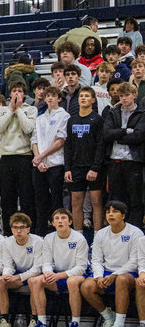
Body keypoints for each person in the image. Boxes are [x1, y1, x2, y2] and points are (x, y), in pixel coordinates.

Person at [81, 201, 143, 327]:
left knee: (121, 280)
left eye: (114, 211)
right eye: (108, 211)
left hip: (129, 273)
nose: (110, 214)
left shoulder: (135, 233)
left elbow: (134, 261)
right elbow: (96, 260)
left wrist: (115, 275)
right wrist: (98, 277)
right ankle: (109, 316)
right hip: (107, 273)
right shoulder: (101, 234)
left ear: (123, 216)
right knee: (86, 286)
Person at [23, 207, 89, 327]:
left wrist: (59, 275)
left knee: (72, 281)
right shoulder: (48, 238)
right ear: (53, 223)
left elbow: (81, 267)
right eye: (57, 219)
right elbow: (46, 262)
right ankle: (41, 323)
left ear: (70, 222)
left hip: (77, 276)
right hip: (56, 276)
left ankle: (75, 325)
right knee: (34, 281)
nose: (60, 221)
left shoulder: (79, 238)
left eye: (63, 218)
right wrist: (48, 273)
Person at [0, 213, 43, 327]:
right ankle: (5, 323)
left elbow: (37, 268)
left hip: (34, 274)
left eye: (22, 227)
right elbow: (8, 265)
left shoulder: (38, 241)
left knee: (33, 281)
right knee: (0, 281)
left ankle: (34, 322)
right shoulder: (7, 242)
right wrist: (6, 275)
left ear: (28, 229)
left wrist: (18, 277)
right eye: (15, 227)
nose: (18, 231)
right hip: (18, 274)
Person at [0, 85, 37, 235]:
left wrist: (19, 109)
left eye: (20, 91)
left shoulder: (31, 109)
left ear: (25, 94)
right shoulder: (2, 110)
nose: (17, 94)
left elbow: (28, 128)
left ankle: (29, 233)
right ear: (9, 93)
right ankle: (8, 234)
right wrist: (11, 110)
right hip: (6, 158)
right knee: (7, 200)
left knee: (27, 198)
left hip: (24, 157)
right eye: (14, 91)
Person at [103, 81, 145, 225]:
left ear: (134, 95)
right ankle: (117, 229)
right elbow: (106, 134)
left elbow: (139, 136)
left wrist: (117, 136)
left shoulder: (141, 113)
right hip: (114, 161)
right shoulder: (112, 112)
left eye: (126, 95)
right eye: (121, 96)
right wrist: (126, 131)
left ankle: (136, 231)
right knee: (116, 199)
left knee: (135, 199)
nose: (123, 99)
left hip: (134, 161)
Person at [65, 86, 105, 233]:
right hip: (76, 167)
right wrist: (67, 168)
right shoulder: (72, 120)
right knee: (76, 203)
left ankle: (98, 237)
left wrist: (95, 168)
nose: (83, 98)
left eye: (87, 96)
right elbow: (68, 146)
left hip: (93, 167)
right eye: (81, 96)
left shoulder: (98, 120)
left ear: (93, 100)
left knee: (96, 202)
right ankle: (78, 236)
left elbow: (101, 146)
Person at [31, 86, 68, 236]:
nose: (50, 98)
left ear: (59, 98)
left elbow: (60, 140)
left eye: (53, 95)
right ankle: (41, 232)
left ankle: (58, 231)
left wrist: (42, 156)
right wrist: (38, 159)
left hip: (55, 163)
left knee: (56, 199)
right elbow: (34, 140)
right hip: (39, 164)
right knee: (40, 199)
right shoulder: (40, 118)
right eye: (48, 96)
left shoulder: (64, 116)